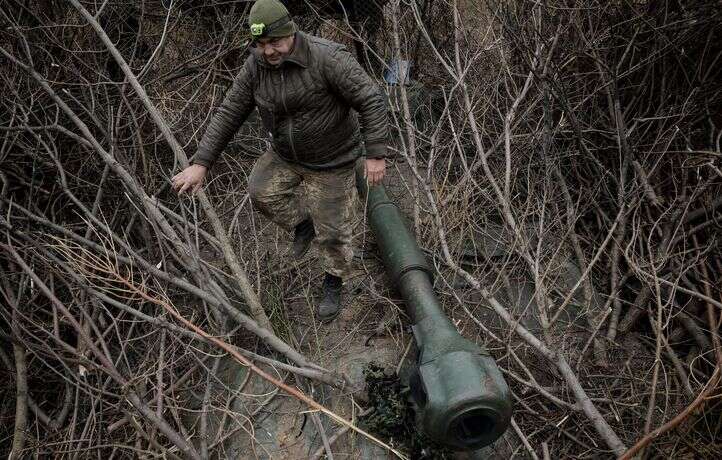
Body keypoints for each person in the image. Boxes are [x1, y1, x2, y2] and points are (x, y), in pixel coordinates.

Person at [171, 0, 389, 322]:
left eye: (274, 42)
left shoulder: (327, 57)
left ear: (290, 33)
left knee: (335, 234)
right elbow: (230, 111)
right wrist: (202, 163)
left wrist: (375, 155)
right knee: (260, 190)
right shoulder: (256, 65)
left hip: (332, 160)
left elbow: (370, 99)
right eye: (260, 44)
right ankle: (303, 225)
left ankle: (333, 280)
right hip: (287, 154)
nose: (268, 51)